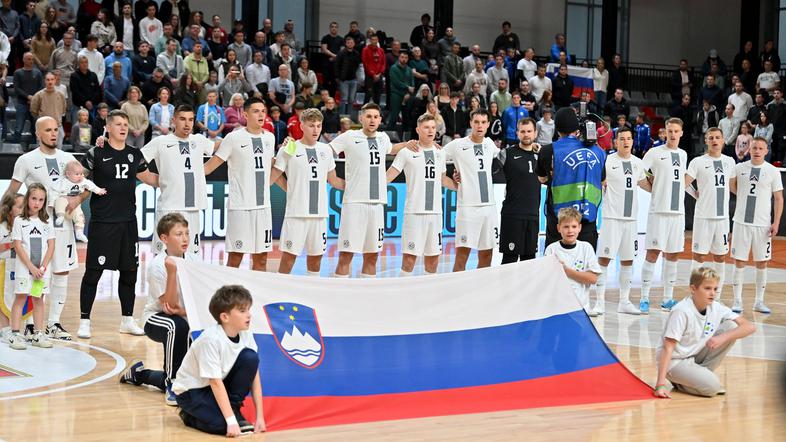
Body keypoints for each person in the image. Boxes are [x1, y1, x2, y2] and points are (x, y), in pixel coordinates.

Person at [78, 110, 158, 338]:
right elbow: (81, 179)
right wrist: (72, 200)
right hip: (103, 223)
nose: (123, 128)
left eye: (126, 124)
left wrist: (172, 179)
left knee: (130, 272)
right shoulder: (97, 152)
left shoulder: (135, 153)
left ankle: (127, 320)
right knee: (94, 272)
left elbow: (149, 178)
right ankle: (85, 320)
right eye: (119, 124)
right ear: (108, 127)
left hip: (128, 223)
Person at [120, 213, 193, 405]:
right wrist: (172, 272)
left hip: (183, 315)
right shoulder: (157, 266)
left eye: (186, 233)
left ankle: (140, 374)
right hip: (156, 317)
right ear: (164, 238)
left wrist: (189, 314)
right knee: (176, 327)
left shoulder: (194, 259)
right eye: (179, 234)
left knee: (192, 378)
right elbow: (169, 307)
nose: (185, 238)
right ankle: (172, 384)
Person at [173, 285, 265, 436]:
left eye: (248, 310)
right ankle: (188, 416)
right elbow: (215, 382)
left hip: (216, 384)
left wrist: (259, 416)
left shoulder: (246, 333)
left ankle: (233, 408)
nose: (249, 315)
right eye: (242, 311)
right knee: (221, 426)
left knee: (250, 357)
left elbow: (254, 375)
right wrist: (230, 422)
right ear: (224, 317)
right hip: (191, 391)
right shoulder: (211, 340)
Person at [329, 103, 408, 277]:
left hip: (377, 204)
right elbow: (326, 152)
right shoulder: (349, 136)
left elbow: (392, 149)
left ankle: (366, 298)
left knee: (372, 256)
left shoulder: (383, 138)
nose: (372, 120)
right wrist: (332, 178)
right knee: (346, 256)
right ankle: (338, 296)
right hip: (354, 204)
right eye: (368, 116)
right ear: (361, 118)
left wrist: (410, 144)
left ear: (380, 120)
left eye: (375, 117)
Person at [203, 98, 280, 270]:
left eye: (263, 111)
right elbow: (209, 167)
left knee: (261, 259)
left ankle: (258, 296)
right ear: (245, 114)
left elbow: (271, 168)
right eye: (255, 111)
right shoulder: (233, 138)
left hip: (263, 208)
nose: (261, 114)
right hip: (240, 208)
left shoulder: (269, 138)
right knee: (235, 258)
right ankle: (229, 296)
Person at [654, 267, 756, 398]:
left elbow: (749, 327)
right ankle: (683, 382)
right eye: (707, 288)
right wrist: (660, 385)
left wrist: (723, 337)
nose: (712, 293)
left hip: (693, 355)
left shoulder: (716, 307)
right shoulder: (681, 311)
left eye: (715, 289)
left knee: (730, 327)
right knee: (713, 388)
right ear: (693, 289)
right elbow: (668, 348)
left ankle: (696, 377)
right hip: (674, 362)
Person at [274, 109, 344, 274]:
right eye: (311, 125)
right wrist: (289, 189)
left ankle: (312, 294)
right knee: (289, 258)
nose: (316, 130)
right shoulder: (290, 147)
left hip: (319, 215)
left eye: (319, 126)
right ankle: (280, 293)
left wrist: (357, 186)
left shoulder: (326, 150)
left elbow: (333, 180)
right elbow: (275, 174)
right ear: (302, 126)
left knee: (315, 259)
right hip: (296, 214)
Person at [141, 105, 218, 256]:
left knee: (191, 259)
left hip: (193, 209)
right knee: (163, 258)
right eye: (182, 119)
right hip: (169, 208)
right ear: (173, 120)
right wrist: (155, 179)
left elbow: (221, 147)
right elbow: (136, 162)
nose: (187, 124)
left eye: (191, 119)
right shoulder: (161, 141)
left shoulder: (199, 140)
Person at [385, 113, 456, 276]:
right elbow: (388, 177)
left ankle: (427, 299)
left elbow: (443, 180)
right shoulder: (406, 152)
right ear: (418, 129)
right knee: (409, 261)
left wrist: (464, 189)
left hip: (436, 214)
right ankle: (403, 297)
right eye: (426, 127)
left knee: (433, 261)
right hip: (414, 214)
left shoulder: (440, 153)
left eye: (433, 127)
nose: (431, 131)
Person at [638, 118, 688, 313]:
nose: (673, 134)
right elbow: (638, 172)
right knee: (652, 253)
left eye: (676, 131)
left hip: (678, 213)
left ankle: (667, 298)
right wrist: (652, 189)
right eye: (670, 131)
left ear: (681, 133)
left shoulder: (683, 155)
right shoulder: (655, 152)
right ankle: (644, 298)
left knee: (673, 254)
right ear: (665, 132)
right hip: (659, 211)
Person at [537, 107, 606, 249]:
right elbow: (603, 181)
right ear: (577, 128)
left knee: (556, 266)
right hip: (588, 219)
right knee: (585, 265)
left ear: (557, 129)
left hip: (559, 221)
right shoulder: (599, 152)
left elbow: (542, 179)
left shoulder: (548, 151)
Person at [729, 137, 784, 313]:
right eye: (754, 148)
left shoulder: (773, 171)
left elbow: (778, 198)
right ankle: (737, 301)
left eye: (761, 148)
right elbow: (732, 186)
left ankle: (759, 301)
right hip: (741, 222)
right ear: (749, 150)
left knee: (762, 263)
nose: (757, 151)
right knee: (739, 262)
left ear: (766, 151)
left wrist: (776, 222)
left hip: (762, 224)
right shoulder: (739, 168)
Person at [595, 127, 645, 316]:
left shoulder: (638, 163)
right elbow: (597, 181)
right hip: (611, 218)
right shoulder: (607, 161)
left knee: (628, 260)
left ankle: (624, 301)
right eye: (622, 138)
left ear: (633, 141)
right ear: (616, 141)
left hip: (631, 220)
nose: (625, 142)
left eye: (629, 138)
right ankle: (599, 301)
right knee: (604, 259)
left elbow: (645, 184)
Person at [443, 109, 499, 271]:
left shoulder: (489, 144)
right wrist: (451, 177)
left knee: (487, 255)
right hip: (467, 208)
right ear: (470, 123)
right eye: (476, 122)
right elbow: (437, 158)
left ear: (488, 124)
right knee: (462, 255)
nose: (479, 126)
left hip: (489, 208)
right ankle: (457, 294)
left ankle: (479, 293)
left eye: (483, 122)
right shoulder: (457, 145)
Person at [684, 127, 736, 301]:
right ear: (706, 141)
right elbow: (684, 182)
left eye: (717, 137)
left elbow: (733, 185)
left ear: (723, 140)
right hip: (703, 216)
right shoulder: (698, 162)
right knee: (699, 255)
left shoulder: (730, 161)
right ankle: (693, 294)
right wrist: (695, 194)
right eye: (711, 138)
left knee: (720, 256)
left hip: (722, 218)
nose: (714, 140)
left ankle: (717, 296)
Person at [6, 184, 55, 350]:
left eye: (41, 200)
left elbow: (51, 246)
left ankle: (38, 334)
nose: (37, 203)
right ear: (28, 199)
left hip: (40, 273)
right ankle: (14, 334)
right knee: (20, 298)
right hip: (24, 270)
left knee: (38, 299)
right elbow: (18, 246)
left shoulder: (47, 221)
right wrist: (31, 268)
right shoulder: (20, 221)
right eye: (34, 199)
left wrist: (42, 267)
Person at [498, 117, 541, 264]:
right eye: (522, 131)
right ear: (517, 133)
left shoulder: (541, 155)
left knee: (529, 261)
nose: (526, 134)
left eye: (529, 131)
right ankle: (505, 288)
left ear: (535, 133)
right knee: (509, 259)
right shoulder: (506, 154)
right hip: (512, 215)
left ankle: (527, 289)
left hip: (533, 215)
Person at [544, 207, 601, 313]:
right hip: (557, 309)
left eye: (574, 226)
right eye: (566, 227)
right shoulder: (551, 249)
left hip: (581, 310)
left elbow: (593, 278)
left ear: (579, 228)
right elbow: (547, 280)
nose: (570, 230)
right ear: (558, 228)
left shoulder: (586, 248)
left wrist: (565, 271)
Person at [52, 160, 105, 243]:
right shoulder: (64, 182)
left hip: (75, 206)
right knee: (60, 201)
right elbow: (54, 191)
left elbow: (91, 186)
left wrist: (99, 191)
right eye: (77, 174)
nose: (80, 176)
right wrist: (52, 203)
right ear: (68, 174)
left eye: (81, 174)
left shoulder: (83, 181)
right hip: (64, 201)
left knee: (80, 216)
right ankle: (60, 216)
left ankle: (79, 232)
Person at [11, 52, 44, 142]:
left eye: (32, 59)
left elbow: (41, 87)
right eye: (29, 59)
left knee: (35, 128)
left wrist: (34, 98)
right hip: (22, 103)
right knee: (18, 127)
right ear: (23, 60)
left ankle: (35, 149)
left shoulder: (38, 73)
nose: (31, 61)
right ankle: (14, 148)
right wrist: (28, 97)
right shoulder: (18, 72)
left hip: (35, 105)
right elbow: (17, 89)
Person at [30, 72, 67, 145]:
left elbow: (63, 110)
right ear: (45, 81)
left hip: (57, 126)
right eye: (48, 80)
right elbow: (33, 111)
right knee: (42, 151)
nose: (50, 82)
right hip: (43, 127)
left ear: (55, 80)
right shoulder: (38, 95)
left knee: (57, 152)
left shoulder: (61, 95)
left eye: (52, 79)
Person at [361, 34, 385, 105]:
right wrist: (373, 74)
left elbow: (383, 63)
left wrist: (379, 74)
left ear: (378, 40)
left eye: (376, 40)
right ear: (370, 40)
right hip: (369, 77)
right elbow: (366, 64)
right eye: (373, 40)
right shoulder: (365, 50)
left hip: (379, 76)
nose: (374, 41)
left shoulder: (381, 50)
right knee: (368, 95)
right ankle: (363, 111)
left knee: (377, 97)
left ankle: (377, 113)